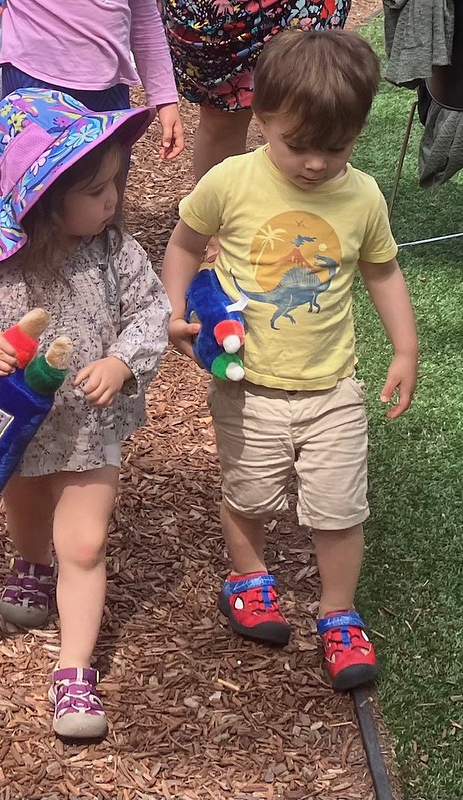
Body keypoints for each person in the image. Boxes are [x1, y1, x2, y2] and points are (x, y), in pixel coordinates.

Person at [161, 29, 418, 691]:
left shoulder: (362, 197)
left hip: (332, 386)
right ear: (261, 117)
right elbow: (184, 244)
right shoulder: (231, 181)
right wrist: (175, 309)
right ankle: (248, 578)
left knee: (341, 509)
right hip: (248, 385)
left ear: (357, 133)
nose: (315, 164)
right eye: (297, 145)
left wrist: (405, 347)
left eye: (336, 147)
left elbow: (382, 270)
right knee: (248, 496)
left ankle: (338, 613)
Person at [0, 88, 171, 738]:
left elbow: (152, 312)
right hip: (17, 425)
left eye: (115, 184)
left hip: (89, 425)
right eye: (95, 190)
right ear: (44, 199)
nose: (112, 200)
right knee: (27, 505)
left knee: (84, 543)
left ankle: (74, 671)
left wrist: (121, 362)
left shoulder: (116, 252)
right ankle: (31, 564)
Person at [0, 0, 184, 164]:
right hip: (32, 88)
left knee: (104, 203)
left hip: (109, 93)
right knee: (32, 208)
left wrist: (164, 98)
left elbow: (144, 17)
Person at [162, 0, 351, 180]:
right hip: (228, 12)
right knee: (222, 118)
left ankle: (311, 199)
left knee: (311, 104)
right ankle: (222, 199)